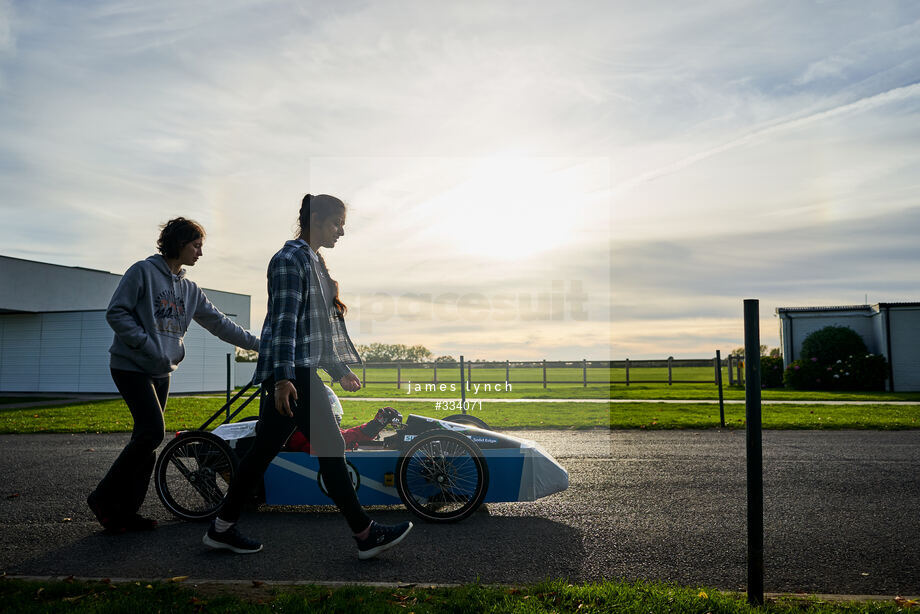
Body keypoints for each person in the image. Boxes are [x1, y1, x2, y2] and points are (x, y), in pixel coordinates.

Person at [203, 194, 413, 558]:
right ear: (315, 219)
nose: (342, 232)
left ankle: (221, 528)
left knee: (261, 453)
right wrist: (284, 379)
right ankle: (365, 534)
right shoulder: (290, 259)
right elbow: (283, 325)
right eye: (336, 223)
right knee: (332, 447)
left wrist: (338, 368)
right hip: (292, 373)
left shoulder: (313, 261)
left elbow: (312, 330)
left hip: (297, 369)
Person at [87, 217, 261, 533]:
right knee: (152, 432)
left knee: (147, 439)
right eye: (196, 246)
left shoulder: (190, 289)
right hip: (130, 366)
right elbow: (116, 312)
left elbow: (221, 325)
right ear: (179, 243)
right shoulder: (142, 272)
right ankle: (102, 497)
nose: (200, 253)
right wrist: (145, 345)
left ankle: (125, 514)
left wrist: (261, 345)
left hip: (160, 371)